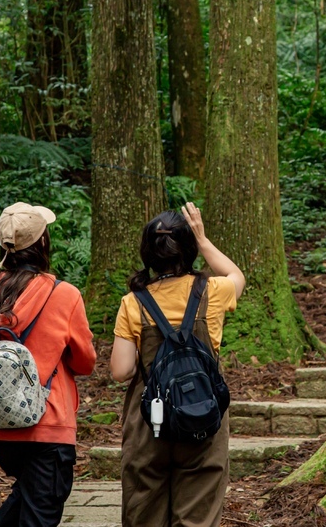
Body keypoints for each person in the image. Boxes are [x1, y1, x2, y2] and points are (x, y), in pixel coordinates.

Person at [0, 202, 96, 527]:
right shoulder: (64, 294)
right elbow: (85, 362)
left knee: (28, 498)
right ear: (43, 243)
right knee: (40, 513)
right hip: (48, 422)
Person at [110, 202, 245, 527]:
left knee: (144, 511)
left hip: (149, 420)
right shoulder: (214, 291)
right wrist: (202, 238)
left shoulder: (133, 303)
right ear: (189, 249)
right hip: (203, 413)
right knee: (198, 514)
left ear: (148, 254)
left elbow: (121, 371)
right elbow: (236, 274)